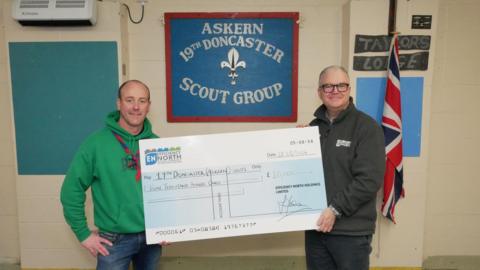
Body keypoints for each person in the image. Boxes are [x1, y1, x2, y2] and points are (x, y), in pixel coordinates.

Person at [60, 80, 164, 270]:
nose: (135, 107)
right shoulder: (96, 144)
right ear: (118, 103)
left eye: (142, 101)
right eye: (129, 100)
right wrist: (83, 233)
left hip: (152, 238)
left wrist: (170, 226)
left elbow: (170, 191)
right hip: (114, 241)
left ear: (148, 106)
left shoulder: (157, 145)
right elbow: (71, 190)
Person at [305, 66, 386, 270]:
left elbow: (369, 180)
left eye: (341, 85)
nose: (335, 90)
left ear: (349, 89)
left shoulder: (367, 128)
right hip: (316, 229)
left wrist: (335, 209)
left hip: (350, 233)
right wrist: (296, 145)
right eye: (328, 86)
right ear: (319, 92)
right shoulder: (312, 128)